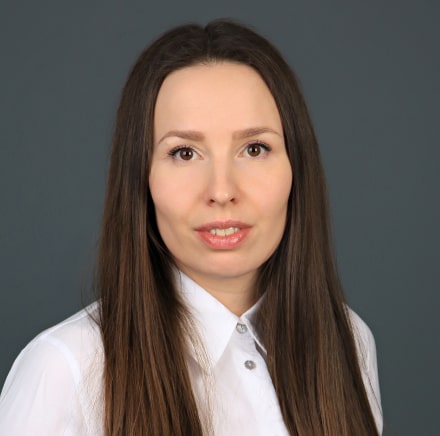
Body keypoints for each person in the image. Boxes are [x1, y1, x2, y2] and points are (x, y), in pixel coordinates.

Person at [0, 19, 382, 435]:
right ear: (141, 177)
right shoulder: (64, 370)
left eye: (255, 148)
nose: (222, 191)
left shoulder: (349, 341)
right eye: (184, 153)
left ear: (296, 168)